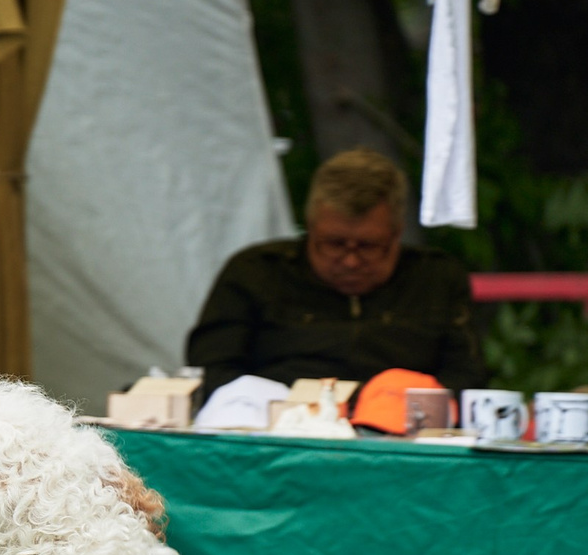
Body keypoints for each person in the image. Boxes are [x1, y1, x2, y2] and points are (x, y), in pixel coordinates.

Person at [186, 148, 486, 397]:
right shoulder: (256, 273)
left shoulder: (435, 278)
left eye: (368, 246)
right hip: (276, 436)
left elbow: (466, 377)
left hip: (403, 433)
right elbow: (211, 371)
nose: (351, 261)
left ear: (397, 234)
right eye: (334, 244)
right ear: (310, 228)